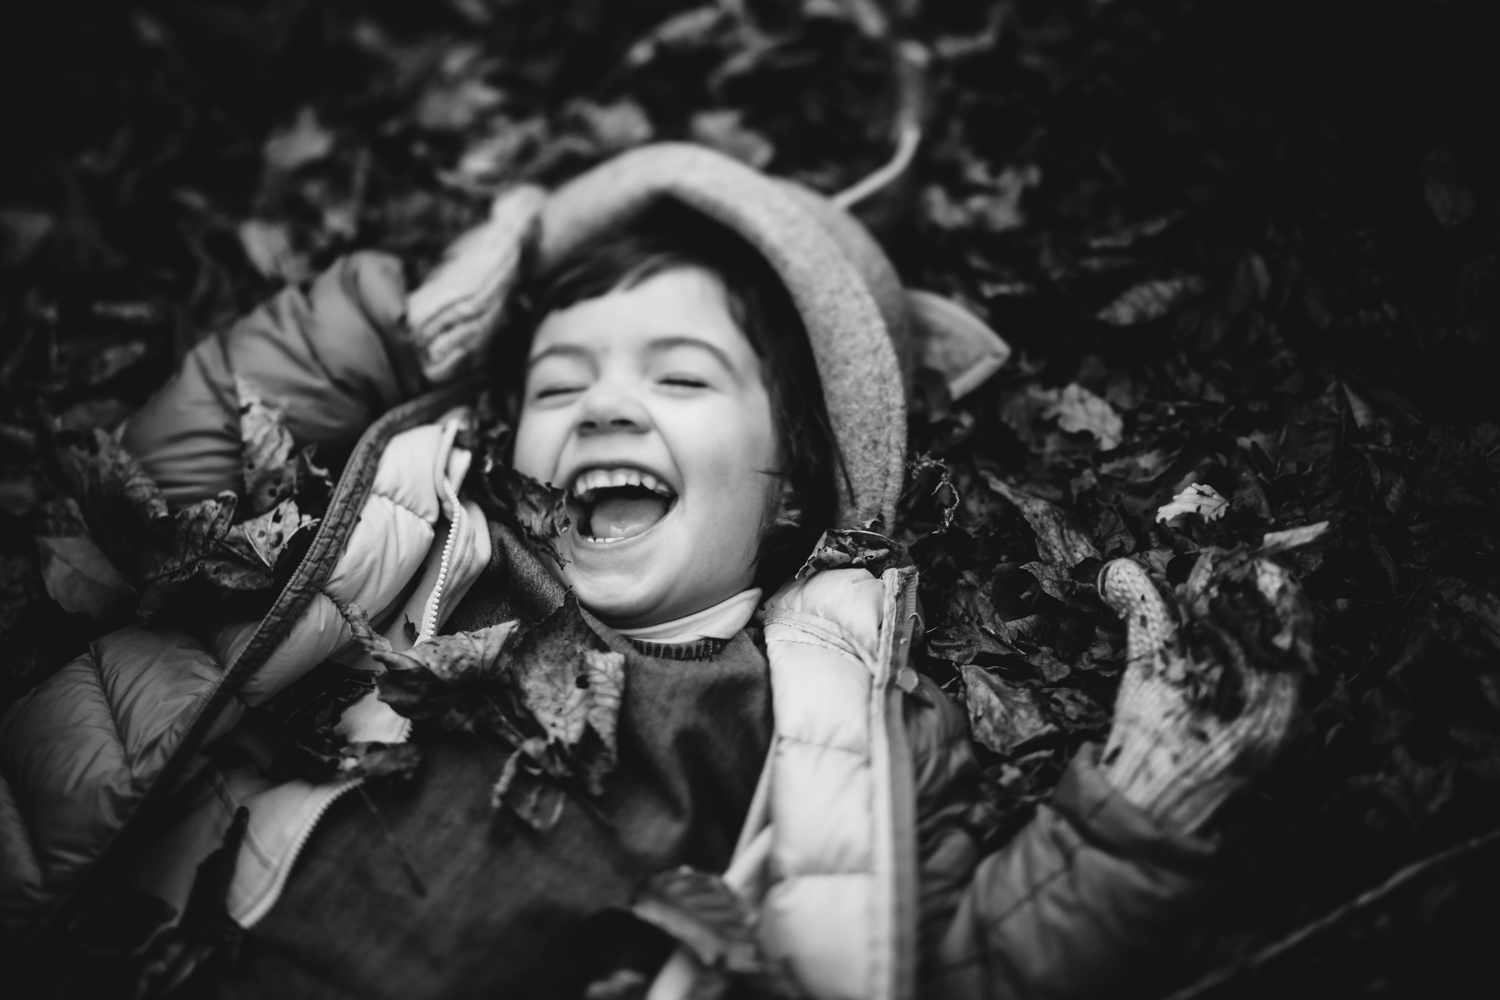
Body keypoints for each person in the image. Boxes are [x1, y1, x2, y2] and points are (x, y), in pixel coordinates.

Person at [0, 144, 1311, 1000]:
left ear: (791, 479)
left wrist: (1126, 821)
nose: (604, 411)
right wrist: (401, 330)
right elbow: (158, 497)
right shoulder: (415, 542)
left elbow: (944, 965)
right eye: (559, 383)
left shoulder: (838, 727)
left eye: (680, 379)